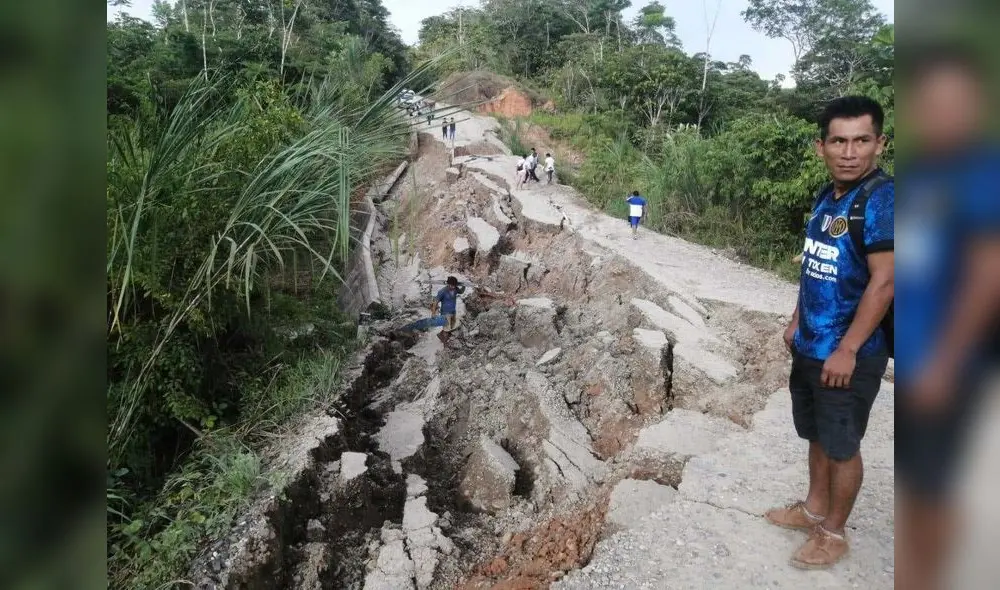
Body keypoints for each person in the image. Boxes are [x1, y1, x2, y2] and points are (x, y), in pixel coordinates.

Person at [766, 95, 894, 570]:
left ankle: (834, 533)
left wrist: (848, 348)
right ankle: (813, 508)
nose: (849, 151)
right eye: (838, 141)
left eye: (862, 140)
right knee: (818, 434)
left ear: (880, 143)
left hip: (850, 353)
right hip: (811, 344)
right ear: (821, 146)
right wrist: (798, 318)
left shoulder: (884, 199)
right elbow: (817, 266)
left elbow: (886, 281)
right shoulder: (828, 196)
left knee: (842, 446)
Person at [893, 44, 1000, 590]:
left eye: (956, 101)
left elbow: (989, 272)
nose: (943, 113)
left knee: (933, 486)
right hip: (912, 352)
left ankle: (928, 577)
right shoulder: (923, 174)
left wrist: (946, 361)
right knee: (915, 482)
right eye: (932, 101)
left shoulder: (982, 173)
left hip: (944, 362)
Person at [431, 276, 461, 344]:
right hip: (445, 313)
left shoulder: (456, 289)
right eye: (452, 285)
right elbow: (435, 303)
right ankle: (445, 343)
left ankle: (440, 335)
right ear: (448, 284)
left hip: (453, 311)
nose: (453, 287)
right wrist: (433, 313)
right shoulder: (442, 291)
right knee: (446, 328)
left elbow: (461, 292)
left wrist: (464, 285)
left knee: (451, 326)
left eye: (454, 285)